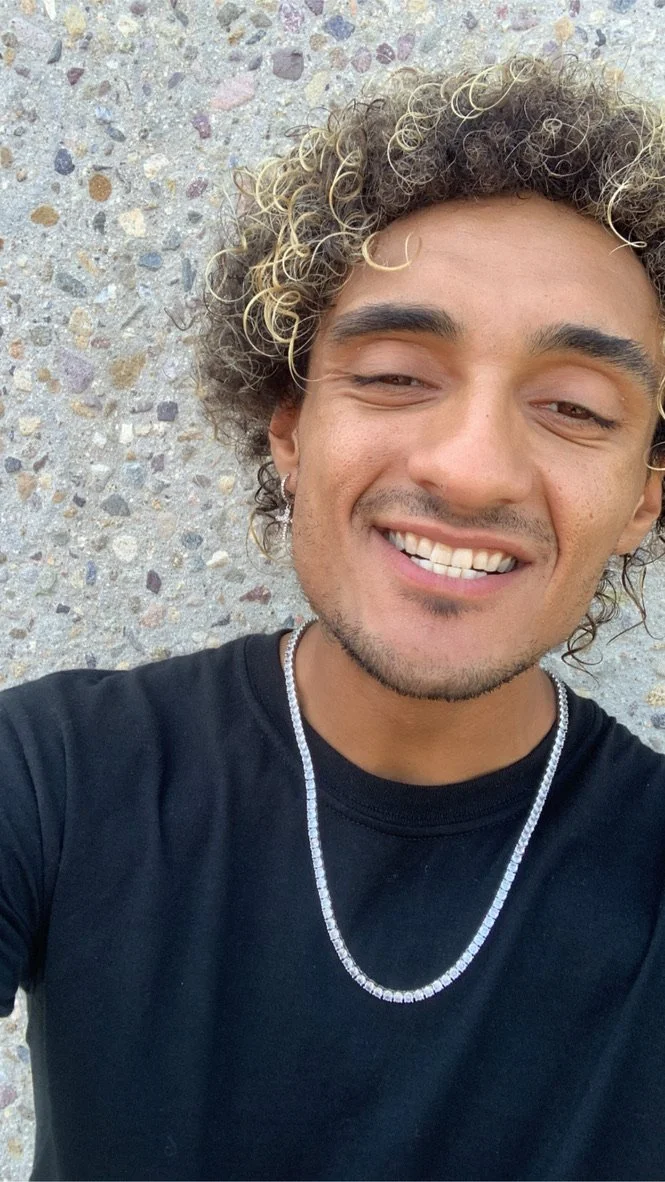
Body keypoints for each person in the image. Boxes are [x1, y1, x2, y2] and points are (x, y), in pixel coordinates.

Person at [3, 52, 665, 1181]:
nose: (470, 470)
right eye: (398, 375)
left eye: (571, 406)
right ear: (289, 430)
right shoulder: (50, 777)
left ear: (642, 501)